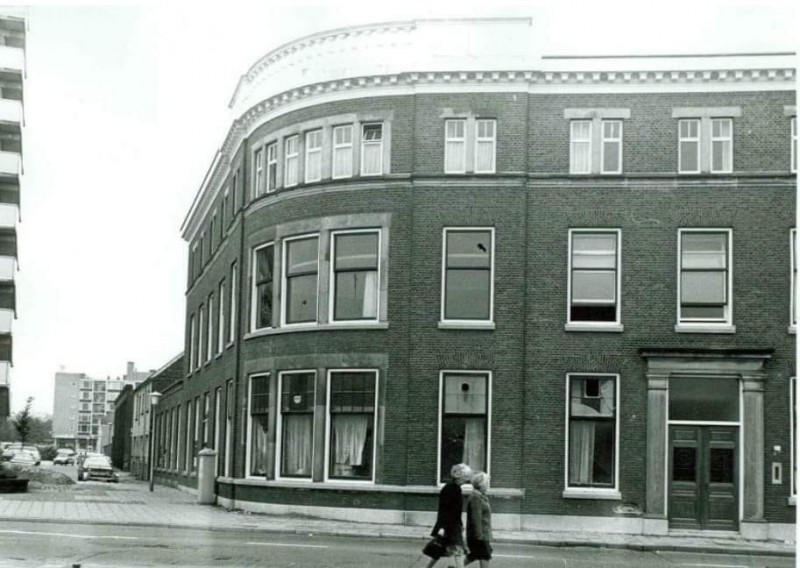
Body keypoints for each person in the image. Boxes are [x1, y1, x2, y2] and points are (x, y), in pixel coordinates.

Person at [427, 463, 472, 568]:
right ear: (459, 476)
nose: (466, 480)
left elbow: (456, 511)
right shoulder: (451, 489)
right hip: (450, 526)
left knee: (439, 549)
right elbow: (444, 509)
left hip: (452, 525)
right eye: (465, 477)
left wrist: (460, 525)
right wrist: (442, 526)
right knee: (459, 551)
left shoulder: (455, 488)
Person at [465, 472, 492, 567]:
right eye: (487, 483)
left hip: (482, 534)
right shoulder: (475, 498)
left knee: (474, 555)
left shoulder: (482, 496)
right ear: (480, 484)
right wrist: (479, 535)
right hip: (479, 536)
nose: (488, 485)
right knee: (485, 556)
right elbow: (476, 517)